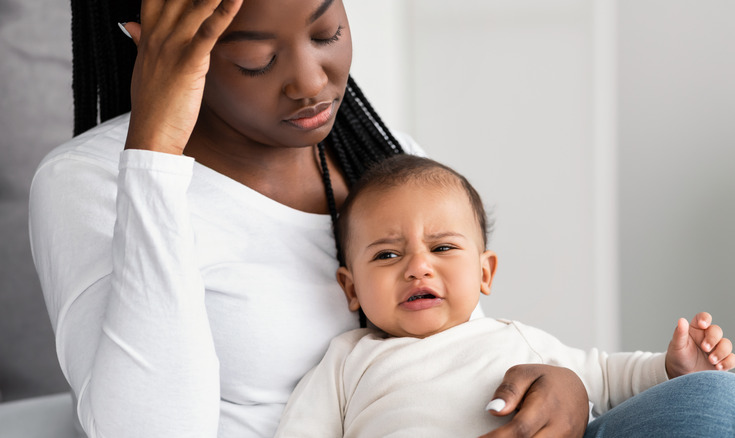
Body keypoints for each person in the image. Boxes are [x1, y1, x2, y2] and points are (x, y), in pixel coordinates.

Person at [29, 0, 589, 437]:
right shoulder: (90, 182)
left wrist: (566, 389)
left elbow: (459, 346)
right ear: (151, 41)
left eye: (327, 34)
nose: (311, 83)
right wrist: (153, 157)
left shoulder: (379, 156)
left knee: (679, 402)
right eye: (257, 60)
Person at [274, 154, 735, 437]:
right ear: (351, 288)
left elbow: (602, 375)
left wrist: (671, 372)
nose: (418, 267)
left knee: (719, 401)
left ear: (485, 272)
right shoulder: (348, 361)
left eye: (443, 247)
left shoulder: (512, 342)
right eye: (387, 256)